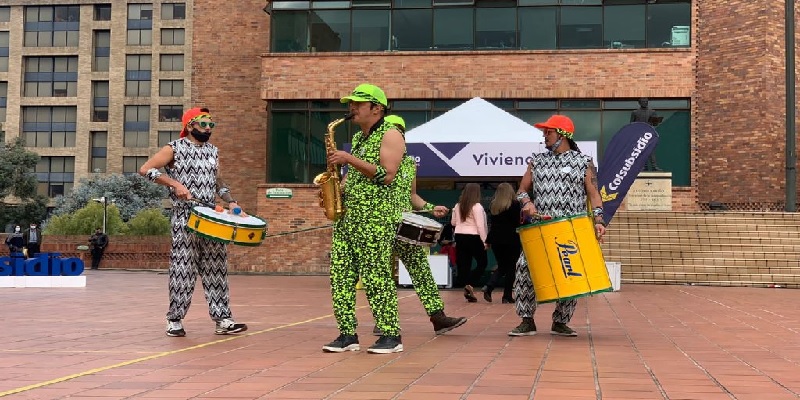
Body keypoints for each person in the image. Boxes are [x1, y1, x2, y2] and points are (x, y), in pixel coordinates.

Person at [139, 107, 248, 338]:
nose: (208, 129)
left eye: (211, 125)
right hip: (184, 217)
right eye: (203, 124)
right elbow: (146, 170)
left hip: (212, 219)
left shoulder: (213, 151)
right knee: (183, 270)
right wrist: (175, 185)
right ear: (190, 125)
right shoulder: (174, 148)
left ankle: (223, 320)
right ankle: (175, 320)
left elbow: (219, 183)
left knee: (216, 268)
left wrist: (232, 202)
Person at [323, 84, 406, 354]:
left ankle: (391, 335)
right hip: (348, 219)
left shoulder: (391, 135)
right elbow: (353, 177)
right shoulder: (359, 138)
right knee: (341, 275)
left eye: (358, 104)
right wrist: (335, 188)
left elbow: (387, 175)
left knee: (376, 277)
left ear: (377, 108)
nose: (352, 108)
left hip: (375, 219)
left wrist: (348, 158)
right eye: (351, 104)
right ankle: (348, 334)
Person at [510, 114, 606, 337]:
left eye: (549, 132)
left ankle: (561, 321)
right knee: (524, 269)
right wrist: (527, 203)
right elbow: (522, 190)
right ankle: (527, 320)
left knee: (570, 274)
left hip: (570, 229)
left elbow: (594, 195)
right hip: (541, 228)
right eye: (544, 132)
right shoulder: (537, 160)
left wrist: (599, 221)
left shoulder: (583, 162)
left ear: (563, 135)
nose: (544, 135)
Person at [376, 115, 467, 336]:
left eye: (399, 131)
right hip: (378, 223)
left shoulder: (409, 163)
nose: (395, 135)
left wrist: (431, 205)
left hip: (405, 225)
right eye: (391, 129)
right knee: (381, 274)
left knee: (421, 270)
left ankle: (438, 317)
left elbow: (413, 196)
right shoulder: (374, 159)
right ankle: (383, 322)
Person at [483, 182, 522, 304]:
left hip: (496, 240)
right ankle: (506, 296)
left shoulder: (494, 206)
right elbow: (518, 223)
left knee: (502, 266)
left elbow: (493, 226)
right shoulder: (515, 205)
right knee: (511, 268)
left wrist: (488, 240)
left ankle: (489, 286)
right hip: (511, 240)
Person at [451, 182, 489, 302]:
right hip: (474, 236)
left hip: (460, 235)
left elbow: (453, 223)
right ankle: (470, 284)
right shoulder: (477, 206)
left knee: (465, 265)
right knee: (482, 262)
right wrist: (485, 241)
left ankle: (467, 286)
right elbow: (480, 226)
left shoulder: (458, 205)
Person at [630, 97, 661, 171]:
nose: (645, 102)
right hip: (639, 134)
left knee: (651, 150)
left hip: (649, 134)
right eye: (643, 101)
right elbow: (631, 125)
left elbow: (655, 124)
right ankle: (643, 166)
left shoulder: (652, 112)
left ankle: (654, 166)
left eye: (646, 101)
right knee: (641, 151)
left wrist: (655, 121)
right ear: (639, 102)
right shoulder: (635, 112)